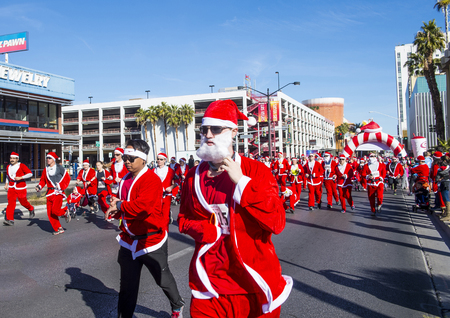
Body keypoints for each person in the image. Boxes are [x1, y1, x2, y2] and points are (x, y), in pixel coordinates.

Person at [178, 99, 292, 318]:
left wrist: (242, 183)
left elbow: (276, 222)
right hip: (210, 282)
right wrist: (203, 230)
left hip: (252, 282)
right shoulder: (193, 176)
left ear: (233, 132)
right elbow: (183, 219)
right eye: (204, 129)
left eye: (216, 128)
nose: (208, 135)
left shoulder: (256, 171)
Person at [105, 140, 184, 318]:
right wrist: (113, 209)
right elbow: (120, 205)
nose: (127, 161)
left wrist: (120, 205)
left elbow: (143, 208)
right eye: (125, 157)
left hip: (151, 240)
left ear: (143, 160)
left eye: (131, 158)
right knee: (127, 287)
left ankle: (177, 304)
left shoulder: (151, 180)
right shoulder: (125, 179)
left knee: (162, 279)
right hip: (128, 241)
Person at [36, 152, 70, 234]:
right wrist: (39, 186)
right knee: (50, 213)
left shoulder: (60, 168)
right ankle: (58, 228)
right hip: (49, 193)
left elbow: (67, 178)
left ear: (53, 159)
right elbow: (43, 180)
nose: (47, 159)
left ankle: (65, 212)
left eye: (49, 158)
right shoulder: (45, 169)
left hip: (58, 192)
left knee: (55, 210)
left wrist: (61, 186)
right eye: (47, 158)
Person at [4, 152, 35, 225]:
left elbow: (30, 174)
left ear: (17, 159)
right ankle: (10, 220)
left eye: (14, 158)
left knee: (23, 201)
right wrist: (6, 184)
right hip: (12, 187)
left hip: (21, 187)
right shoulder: (8, 166)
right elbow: (7, 176)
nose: (12, 160)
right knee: (11, 203)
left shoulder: (21, 165)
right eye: (11, 158)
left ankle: (31, 208)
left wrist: (21, 177)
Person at [153, 153, 176, 226]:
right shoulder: (153, 171)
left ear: (165, 160)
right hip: (156, 195)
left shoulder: (170, 171)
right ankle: (159, 230)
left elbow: (177, 181)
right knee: (156, 213)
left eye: (161, 159)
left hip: (167, 195)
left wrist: (171, 187)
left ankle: (164, 231)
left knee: (165, 214)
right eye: (158, 159)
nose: (159, 161)